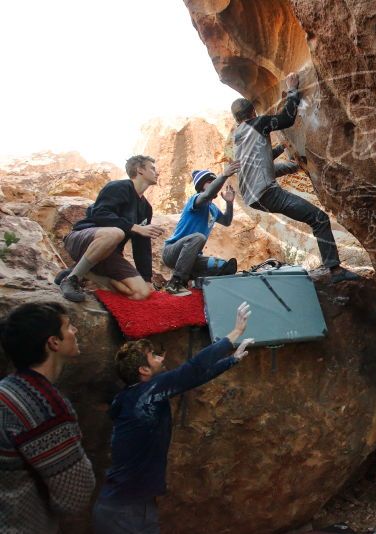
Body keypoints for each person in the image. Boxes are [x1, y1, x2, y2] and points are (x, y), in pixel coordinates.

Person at [92, 303, 254, 534]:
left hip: (134, 503)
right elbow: (191, 369)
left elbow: (191, 379)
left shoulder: (137, 396)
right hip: (123, 511)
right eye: (153, 356)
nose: (160, 358)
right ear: (144, 371)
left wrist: (232, 360)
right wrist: (234, 334)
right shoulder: (146, 394)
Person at [231, 72, 359, 283]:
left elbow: (263, 161)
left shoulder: (240, 136)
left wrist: (286, 152)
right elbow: (287, 118)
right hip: (266, 193)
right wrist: (292, 90)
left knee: (313, 216)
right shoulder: (258, 124)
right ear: (253, 112)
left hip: (254, 197)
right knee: (318, 219)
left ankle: (329, 266)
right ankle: (335, 271)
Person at [0, 302, 95, 533]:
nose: (75, 332)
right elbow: (75, 494)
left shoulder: (6, 390)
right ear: (53, 342)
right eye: (69, 327)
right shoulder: (45, 408)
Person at [56, 155, 165, 302]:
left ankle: (85, 273)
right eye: (152, 168)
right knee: (115, 233)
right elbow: (99, 214)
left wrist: (146, 278)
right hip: (84, 239)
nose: (157, 173)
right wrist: (134, 227)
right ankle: (72, 280)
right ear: (140, 170)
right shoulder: (118, 187)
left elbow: (142, 246)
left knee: (141, 293)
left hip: (109, 254)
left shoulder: (146, 208)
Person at [161, 161, 242, 296]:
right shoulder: (196, 199)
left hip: (191, 257)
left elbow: (227, 221)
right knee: (198, 237)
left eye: (214, 180)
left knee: (221, 265)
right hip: (172, 252)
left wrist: (229, 203)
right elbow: (207, 195)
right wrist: (224, 175)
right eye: (209, 181)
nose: (213, 183)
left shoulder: (213, 209)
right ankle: (176, 282)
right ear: (201, 186)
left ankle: (195, 283)